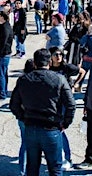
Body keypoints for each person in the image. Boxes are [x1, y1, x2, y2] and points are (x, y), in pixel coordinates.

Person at [10, 48, 76, 176]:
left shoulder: (24, 80)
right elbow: (71, 105)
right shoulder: (59, 79)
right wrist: (65, 123)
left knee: (32, 167)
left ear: (35, 63)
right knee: (55, 168)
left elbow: (14, 104)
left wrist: (23, 117)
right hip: (51, 128)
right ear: (50, 62)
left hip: (31, 127)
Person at [48, 46, 85, 170]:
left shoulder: (66, 67)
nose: (58, 57)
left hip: (64, 102)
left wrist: (75, 84)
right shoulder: (49, 68)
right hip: (52, 102)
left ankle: (67, 158)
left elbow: (82, 71)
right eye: (55, 55)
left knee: (60, 129)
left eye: (60, 54)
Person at [0, 11, 14, 100]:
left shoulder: (5, 28)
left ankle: (1, 94)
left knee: (0, 74)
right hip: (5, 54)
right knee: (3, 74)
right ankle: (3, 92)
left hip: (3, 54)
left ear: (2, 17)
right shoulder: (5, 26)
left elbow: (3, 42)